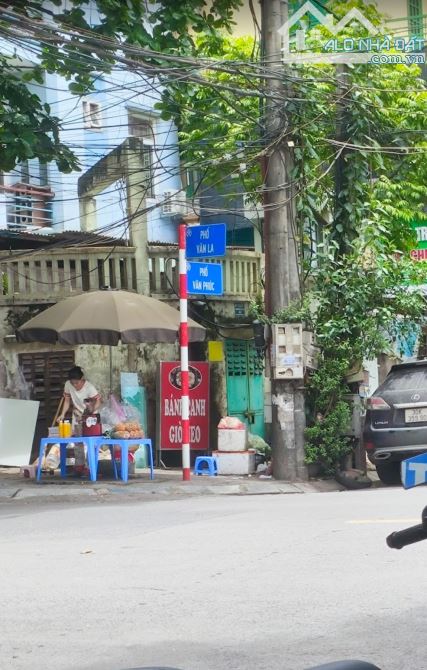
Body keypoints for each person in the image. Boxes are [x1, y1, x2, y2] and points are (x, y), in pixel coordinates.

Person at [58, 366, 101, 474]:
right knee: (77, 441)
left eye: (77, 383)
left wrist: (91, 410)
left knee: (91, 442)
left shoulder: (89, 388)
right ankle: (79, 465)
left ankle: (89, 466)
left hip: (90, 416)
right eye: (73, 383)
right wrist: (62, 414)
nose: (75, 385)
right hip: (77, 414)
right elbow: (67, 401)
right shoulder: (68, 385)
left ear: (82, 379)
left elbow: (98, 402)